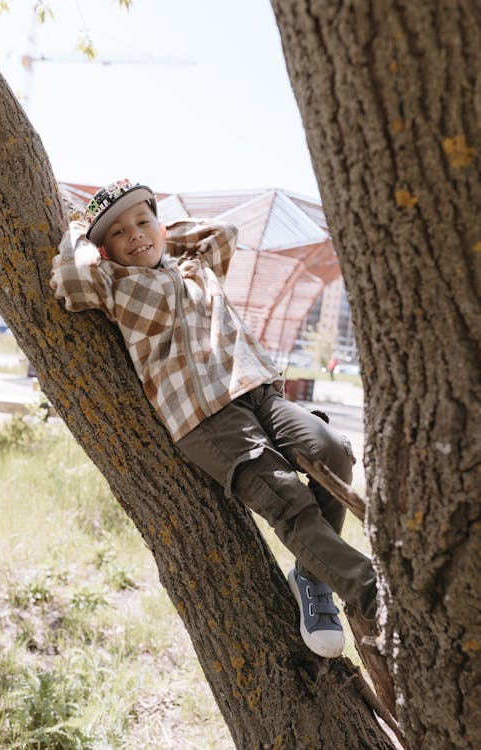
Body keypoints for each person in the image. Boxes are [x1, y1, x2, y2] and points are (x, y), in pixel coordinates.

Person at [51, 179, 377, 659]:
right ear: (105, 248)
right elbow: (69, 279)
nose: (136, 235)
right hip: (207, 416)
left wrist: (156, 235)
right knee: (286, 497)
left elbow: (222, 230)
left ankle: (311, 574)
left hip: (259, 390)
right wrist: (85, 229)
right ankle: (373, 595)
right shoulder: (116, 285)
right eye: (120, 233)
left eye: (143, 222)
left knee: (331, 453)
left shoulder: (196, 267)